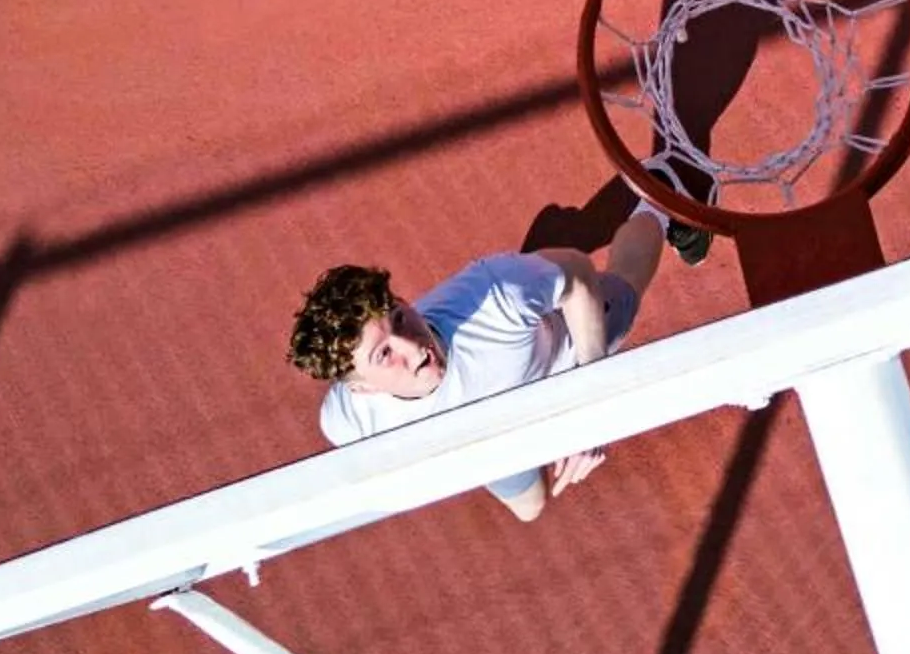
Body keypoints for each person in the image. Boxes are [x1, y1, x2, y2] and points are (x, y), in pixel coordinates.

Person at [289, 209, 676, 522]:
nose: (413, 346)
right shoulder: (346, 422)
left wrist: (594, 394)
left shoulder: (498, 293)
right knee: (530, 509)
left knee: (626, 284)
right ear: (361, 388)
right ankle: (540, 277)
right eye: (384, 354)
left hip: (565, 357)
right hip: (492, 438)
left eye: (400, 318)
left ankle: (663, 193)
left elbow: (578, 273)